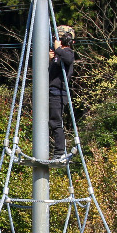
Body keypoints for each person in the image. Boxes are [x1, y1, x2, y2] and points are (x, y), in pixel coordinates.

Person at [48, 25, 76, 158]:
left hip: (58, 93)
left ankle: (59, 152)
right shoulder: (57, 55)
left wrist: (58, 48)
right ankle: (52, 150)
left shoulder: (67, 53)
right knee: (47, 122)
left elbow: (68, 58)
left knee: (55, 122)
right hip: (50, 91)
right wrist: (50, 59)